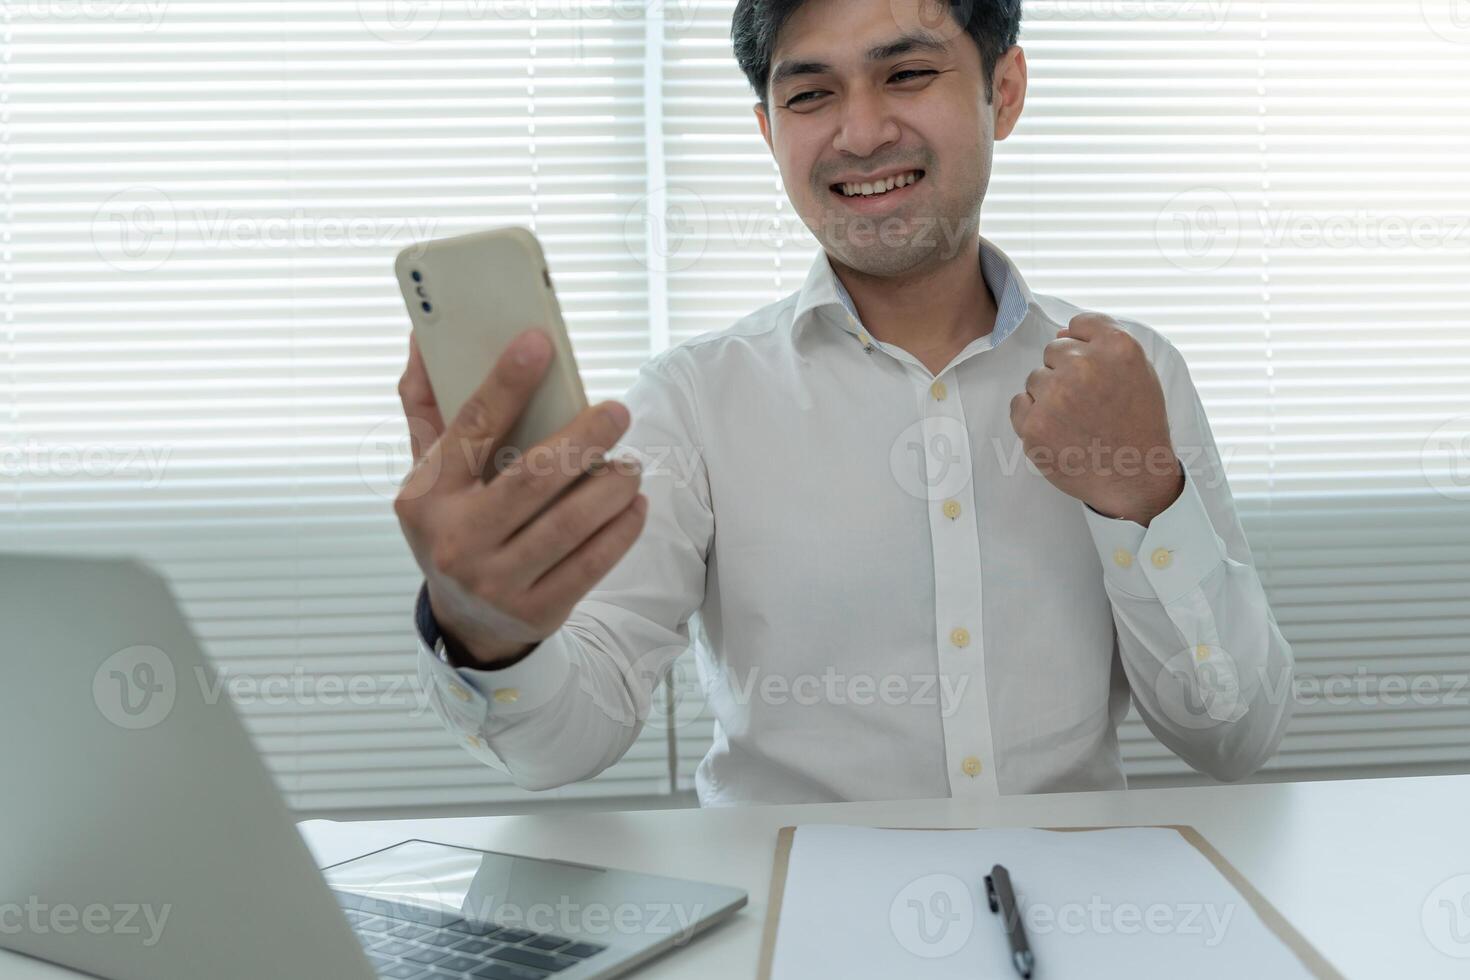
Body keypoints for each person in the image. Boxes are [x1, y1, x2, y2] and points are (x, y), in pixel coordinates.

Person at [392, 0, 1294, 806]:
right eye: (811, 95)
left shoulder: (1130, 377)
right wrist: (487, 635)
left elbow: (1232, 737)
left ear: (1004, 90)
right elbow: (562, 745)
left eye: (906, 74)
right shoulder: (695, 400)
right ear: (767, 129)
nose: (860, 133)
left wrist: (1140, 499)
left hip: (1074, 915)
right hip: (787, 926)